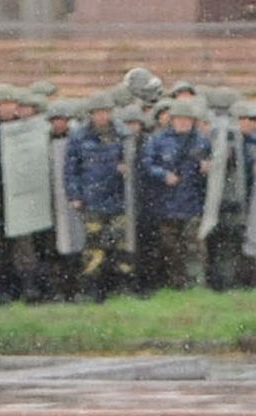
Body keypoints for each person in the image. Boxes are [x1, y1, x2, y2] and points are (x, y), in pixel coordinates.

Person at [135, 98, 208, 293]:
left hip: (193, 203)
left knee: (194, 246)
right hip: (166, 204)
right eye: (179, 119)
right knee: (170, 248)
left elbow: (213, 163)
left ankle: (196, 284)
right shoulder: (157, 140)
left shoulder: (201, 140)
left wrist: (207, 166)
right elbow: (146, 165)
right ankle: (176, 283)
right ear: (172, 120)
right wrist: (163, 175)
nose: (183, 123)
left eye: (187, 119)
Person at [64, 102, 130, 298]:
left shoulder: (121, 134)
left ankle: (119, 285)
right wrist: (74, 195)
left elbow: (131, 159)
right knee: (94, 245)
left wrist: (125, 167)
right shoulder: (79, 136)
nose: (102, 116)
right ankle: (92, 287)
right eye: (98, 113)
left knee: (118, 242)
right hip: (91, 198)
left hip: (117, 197)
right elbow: (71, 169)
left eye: (105, 112)